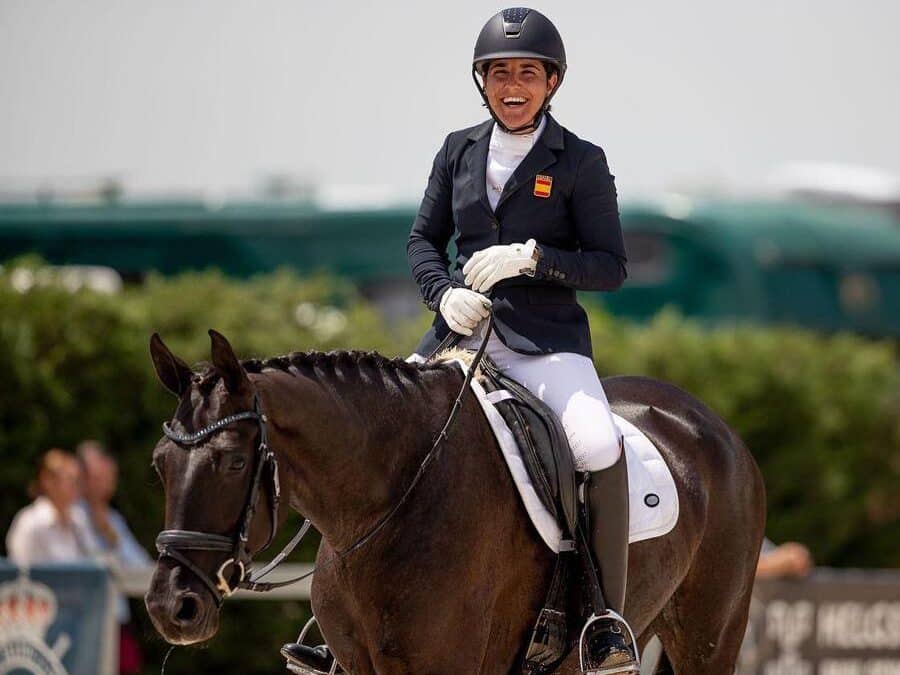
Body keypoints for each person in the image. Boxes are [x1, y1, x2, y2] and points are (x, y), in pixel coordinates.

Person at [284, 8, 635, 675]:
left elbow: (610, 264)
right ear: (482, 81)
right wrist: (441, 291)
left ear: (551, 82)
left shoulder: (581, 161)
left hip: (545, 344)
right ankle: (336, 619)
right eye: (499, 71)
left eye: (527, 72)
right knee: (377, 433)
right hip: (458, 334)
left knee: (596, 441)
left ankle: (603, 617)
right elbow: (421, 239)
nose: (512, 83)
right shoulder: (458, 150)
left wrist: (533, 260)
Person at [75, 440, 151, 675]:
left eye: (109, 475)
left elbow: (143, 569)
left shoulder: (114, 520)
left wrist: (111, 536)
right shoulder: (70, 517)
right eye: (100, 475)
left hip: (116, 625)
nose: (108, 482)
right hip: (80, 625)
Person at [6, 449, 94, 565]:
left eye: (78, 481)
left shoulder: (79, 518)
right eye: (70, 480)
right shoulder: (29, 522)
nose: (76, 487)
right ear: (47, 481)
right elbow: (21, 572)